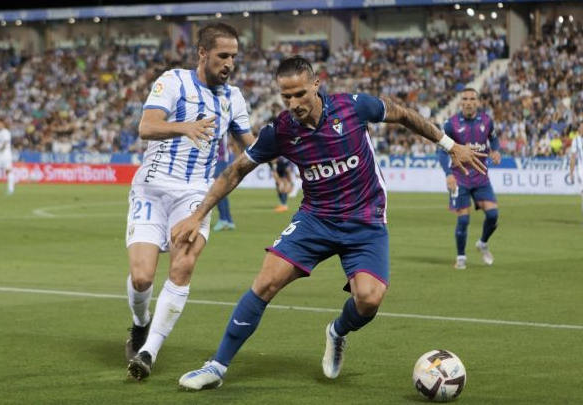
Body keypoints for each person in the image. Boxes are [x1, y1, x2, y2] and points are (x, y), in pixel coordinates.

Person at [172, 56, 486, 390]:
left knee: (369, 300)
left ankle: (337, 331)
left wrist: (450, 145)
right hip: (315, 219)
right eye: (286, 96)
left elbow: (404, 114)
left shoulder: (354, 107)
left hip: (365, 220)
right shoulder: (281, 130)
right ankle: (216, 367)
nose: (294, 103)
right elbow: (236, 170)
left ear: (316, 85)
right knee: (265, 281)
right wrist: (198, 215)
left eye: (300, 94)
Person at [125, 22, 254, 381]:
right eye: (223, 55)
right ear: (202, 53)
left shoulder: (234, 98)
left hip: (196, 194)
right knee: (141, 277)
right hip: (152, 189)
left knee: (182, 268)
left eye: (233, 57)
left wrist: (283, 150)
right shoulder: (173, 81)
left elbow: (250, 145)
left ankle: (148, 352)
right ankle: (140, 323)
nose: (229, 63)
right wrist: (185, 127)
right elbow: (146, 127)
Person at [437, 88, 501, 270]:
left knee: (493, 215)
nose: (468, 102)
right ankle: (461, 257)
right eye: (465, 99)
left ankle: (482, 243)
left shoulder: (487, 121)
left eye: (472, 99)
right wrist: (448, 174)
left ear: (478, 102)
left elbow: (494, 139)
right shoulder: (451, 124)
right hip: (460, 177)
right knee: (463, 220)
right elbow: (441, 152)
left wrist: (496, 150)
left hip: (481, 177)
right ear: (460, 102)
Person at [212, 134, 236, 231]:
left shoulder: (221, 128)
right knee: (222, 192)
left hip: (221, 159)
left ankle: (223, 219)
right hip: (222, 158)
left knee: (217, 190)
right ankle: (228, 220)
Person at [569, 125, 583, 215]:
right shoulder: (576, 140)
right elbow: (573, 157)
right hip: (581, 169)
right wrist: (571, 172)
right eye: (581, 127)